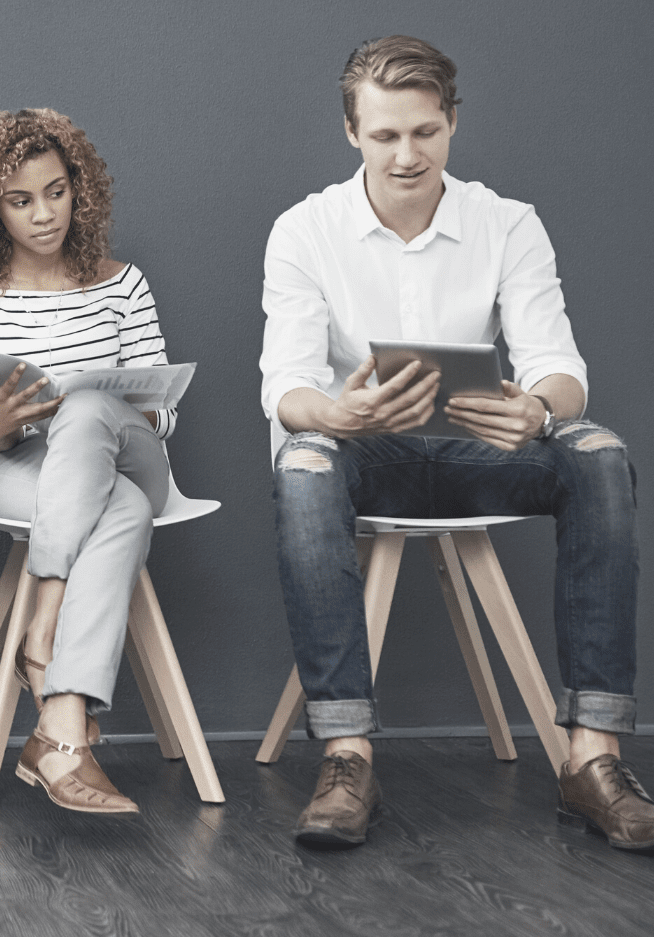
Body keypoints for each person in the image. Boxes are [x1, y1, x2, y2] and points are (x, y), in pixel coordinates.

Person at [261, 35, 652, 850]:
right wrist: (339, 416)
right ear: (351, 133)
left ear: (451, 124)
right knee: (301, 460)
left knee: (598, 451)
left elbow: (558, 366)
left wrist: (539, 410)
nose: (408, 156)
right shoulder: (304, 230)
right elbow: (287, 387)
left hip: (481, 454)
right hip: (362, 457)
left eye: (426, 133)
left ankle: (593, 758)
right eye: (385, 136)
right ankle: (346, 757)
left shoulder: (508, 224)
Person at [0, 109, 182, 815]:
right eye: (20, 201)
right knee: (122, 511)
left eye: (55, 192)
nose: (43, 215)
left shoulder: (124, 284)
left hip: (131, 456)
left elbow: (165, 409)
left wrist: (104, 409)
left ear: (80, 189)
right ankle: (62, 730)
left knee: (86, 410)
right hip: (24, 470)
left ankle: (38, 626)